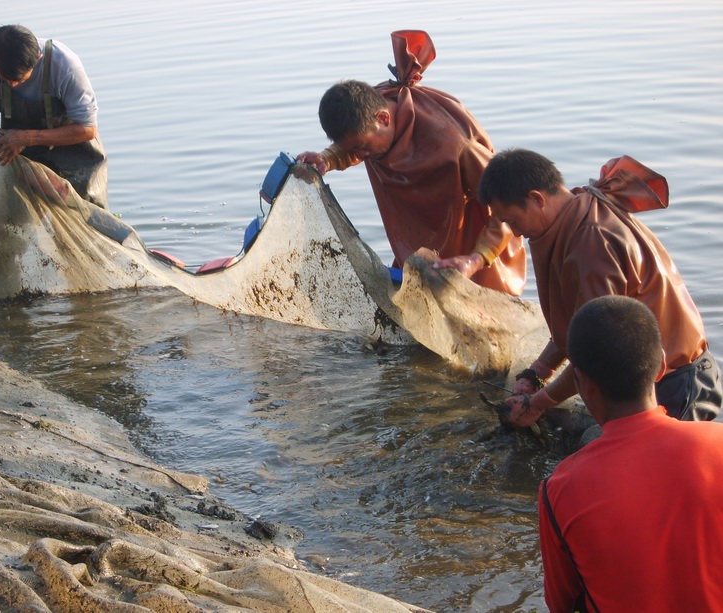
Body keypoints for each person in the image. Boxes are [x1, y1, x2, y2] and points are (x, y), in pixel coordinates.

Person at [477, 148, 721, 424]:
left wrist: (537, 404)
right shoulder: (579, 208)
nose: (516, 233)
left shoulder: (591, 245)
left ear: (536, 199)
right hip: (647, 377)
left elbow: (595, 356)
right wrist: (536, 373)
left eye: (513, 221)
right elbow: (577, 327)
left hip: (677, 384)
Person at [296, 30, 526, 296]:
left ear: (383, 119)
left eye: (361, 148)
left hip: (478, 257)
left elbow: (512, 206)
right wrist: (327, 158)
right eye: (353, 149)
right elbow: (352, 146)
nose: (361, 155)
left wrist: (475, 259)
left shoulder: (455, 145)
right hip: (420, 247)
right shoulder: (377, 111)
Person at [539, 295, 723, 612]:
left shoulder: (560, 488)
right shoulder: (717, 442)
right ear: (662, 366)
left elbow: (561, 604)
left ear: (582, 384)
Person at [0, 24, 108, 209]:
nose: (12, 85)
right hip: (24, 156)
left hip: (76, 158)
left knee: (81, 215)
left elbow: (87, 129)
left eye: (19, 79)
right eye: (5, 80)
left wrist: (26, 138)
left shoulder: (65, 67)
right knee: (13, 213)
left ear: (38, 59)